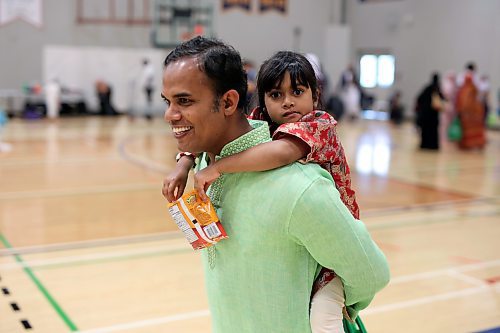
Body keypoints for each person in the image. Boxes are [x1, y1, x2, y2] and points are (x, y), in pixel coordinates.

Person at [161, 36, 390, 333]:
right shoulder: (205, 163)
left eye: (184, 101)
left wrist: (328, 301)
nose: (170, 114)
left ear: (229, 102)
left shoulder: (298, 188)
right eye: (168, 102)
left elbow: (371, 273)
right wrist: (185, 163)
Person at [455, 75, 486, 150]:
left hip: (468, 114)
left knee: (469, 130)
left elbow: (461, 102)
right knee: (470, 130)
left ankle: (467, 144)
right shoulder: (472, 88)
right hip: (472, 113)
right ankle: (472, 144)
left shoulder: (464, 89)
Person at [415, 73, 444, 150]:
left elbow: (419, 98)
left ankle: (425, 145)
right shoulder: (437, 89)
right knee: (433, 130)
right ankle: (432, 145)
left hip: (426, 114)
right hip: (433, 115)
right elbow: (442, 99)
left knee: (426, 130)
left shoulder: (427, 88)